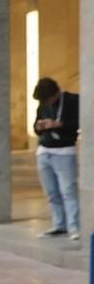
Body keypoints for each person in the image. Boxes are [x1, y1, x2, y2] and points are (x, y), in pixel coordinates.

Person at [32, 77, 82, 241]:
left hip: (64, 151)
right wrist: (39, 127)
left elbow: (80, 123)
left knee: (68, 190)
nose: (47, 103)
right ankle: (59, 224)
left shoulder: (72, 101)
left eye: (49, 99)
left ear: (56, 93)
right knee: (51, 192)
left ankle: (74, 226)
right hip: (44, 151)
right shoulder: (43, 104)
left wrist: (58, 125)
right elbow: (36, 127)